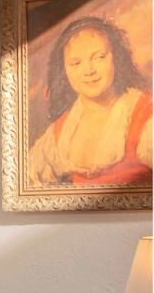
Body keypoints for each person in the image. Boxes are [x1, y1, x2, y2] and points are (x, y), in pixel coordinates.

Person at [28, 16, 152, 187]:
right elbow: (24, 182)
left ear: (116, 58)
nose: (88, 70)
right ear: (64, 70)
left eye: (99, 57)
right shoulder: (61, 131)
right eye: (76, 63)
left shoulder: (144, 113)